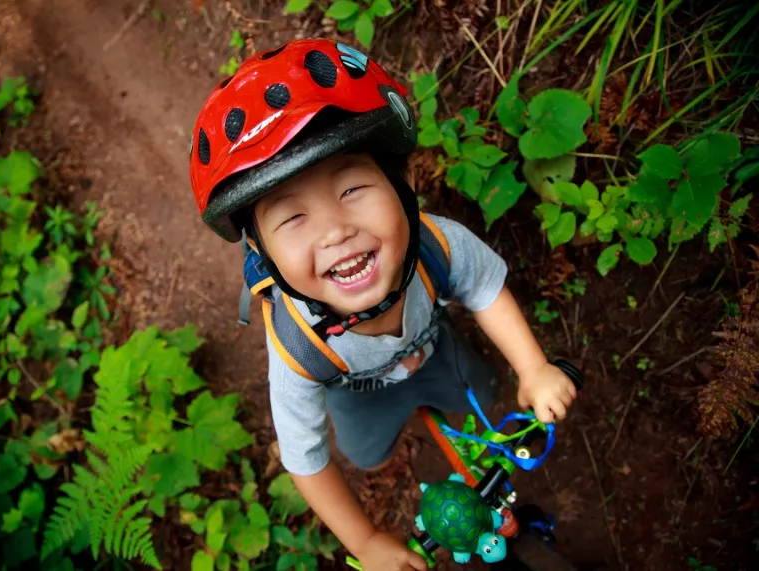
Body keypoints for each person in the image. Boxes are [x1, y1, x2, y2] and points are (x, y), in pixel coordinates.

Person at [188, 39, 578, 571]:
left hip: (437, 352)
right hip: (359, 392)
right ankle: (395, 429)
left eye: (352, 189)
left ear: (402, 186)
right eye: (292, 218)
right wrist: (365, 539)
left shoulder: (436, 246)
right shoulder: (299, 345)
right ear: (260, 253)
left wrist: (531, 366)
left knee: (484, 395)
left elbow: (484, 287)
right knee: (368, 451)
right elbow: (306, 458)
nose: (335, 230)